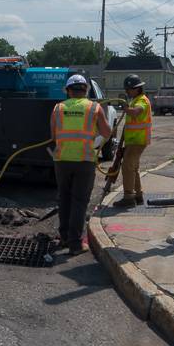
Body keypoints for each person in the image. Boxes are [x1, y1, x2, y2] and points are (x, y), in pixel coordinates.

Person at [50, 74, 111, 255]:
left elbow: (53, 136)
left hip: (62, 160)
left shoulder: (58, 108)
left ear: (68, 91)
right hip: (84, 160)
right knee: (79, 202)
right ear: (85, 90)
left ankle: (64, 237)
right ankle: (75, 245)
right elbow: (107, 132)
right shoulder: (94, 108)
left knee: (65, 199)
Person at [113, 74, 153, 208]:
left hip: (138, 141)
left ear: (136, 88)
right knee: (133, 168)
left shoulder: (142, 100)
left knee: (127, 167)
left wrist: (125, 108)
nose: (126, 92)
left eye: (128, 89)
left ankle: (128, 197)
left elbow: (135, 112)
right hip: (133, 141)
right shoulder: (135, 100)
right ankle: (138, 195)